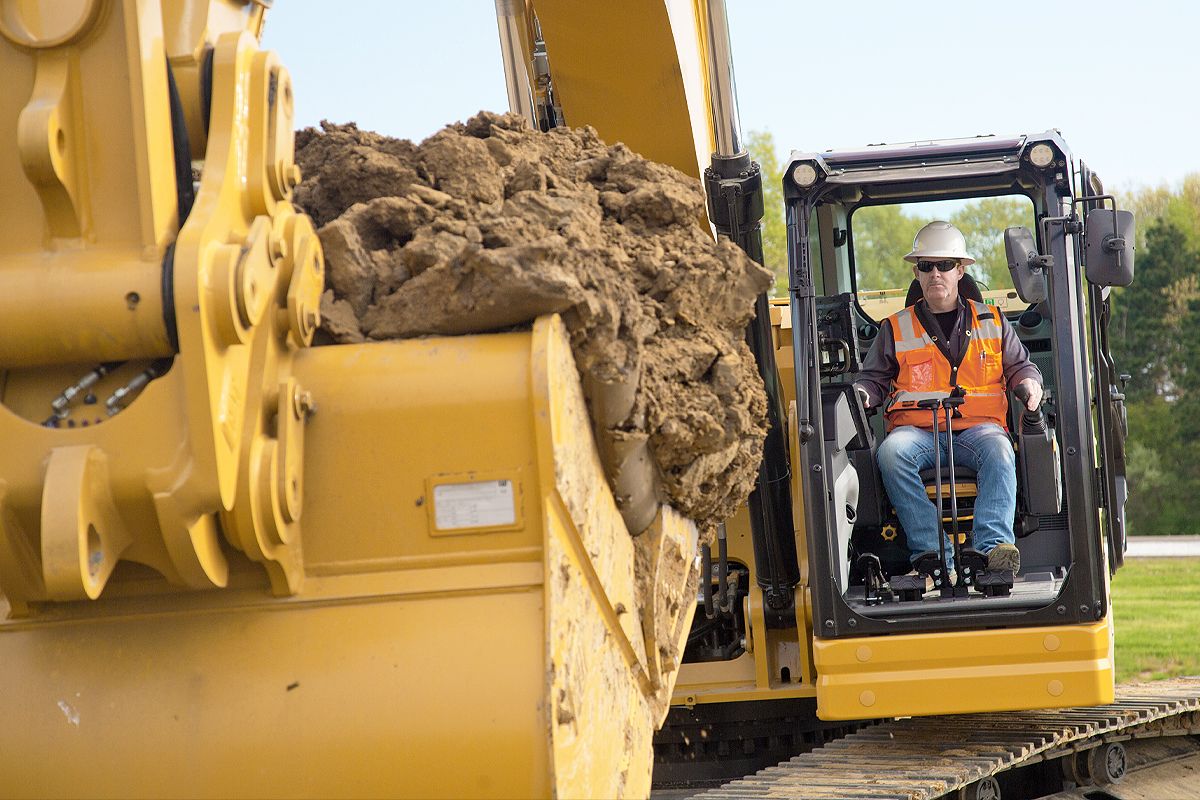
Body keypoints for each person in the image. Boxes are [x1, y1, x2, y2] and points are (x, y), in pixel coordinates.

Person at [853, 220, 1042, 576]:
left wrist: (1030, 383)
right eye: (926, 266)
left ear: (960, 270)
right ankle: (933, 554)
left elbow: (1021, 367)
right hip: (918, 435)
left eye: (944, 265)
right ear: (916, 272)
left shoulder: (993, 322)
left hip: (979, 432)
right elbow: (873, 379)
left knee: (1001, 450)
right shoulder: (895, 327)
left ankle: (992, 549)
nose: (935, 273)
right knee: (891, 454)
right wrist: (863, 394)